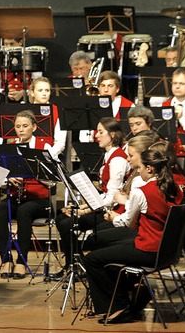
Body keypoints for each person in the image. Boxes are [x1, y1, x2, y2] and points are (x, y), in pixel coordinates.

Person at [82, 147, 183, 324]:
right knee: (109, 252)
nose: (138, 171)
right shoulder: (174, 187)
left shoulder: (142, 191)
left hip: (149, 249)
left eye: (140, 168)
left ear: (150, 169)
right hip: (167, 252)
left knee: (92, 259)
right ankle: (136, 294)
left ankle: (117, 306)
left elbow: (128, 223)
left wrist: (113, 217)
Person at [53, 117, 129, 280]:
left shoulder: (117, 159)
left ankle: (76, 265)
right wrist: (80, 208)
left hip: (114, 211)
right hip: (104, 206)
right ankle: (74, 263)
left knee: (67, 222)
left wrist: (83, 211)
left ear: (112, 135)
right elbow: (105, 194)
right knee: (62, 218)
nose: (96, 135)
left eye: (101, 132)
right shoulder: (110, 155)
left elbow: (112, 197)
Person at [0, 110, 52, 280]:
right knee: (0, 211)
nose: (21, 130)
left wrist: (34, 172)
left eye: (25, 126)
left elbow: (52, 179)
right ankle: (6, 259)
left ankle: (22, 261)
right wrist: (8, 180)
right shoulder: (10, 146)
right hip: (17, 195)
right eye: (18, 126)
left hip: (39, 199)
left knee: (24, 212)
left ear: (34, 127)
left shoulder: (44, 146)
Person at [27, 77, 67, 157]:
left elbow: (60, 143)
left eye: (47, 90)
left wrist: (47, 156)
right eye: (40, 90)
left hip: (50, 154)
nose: (44, 94)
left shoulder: (58, 111)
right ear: (32, 93)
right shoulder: (24, 110)